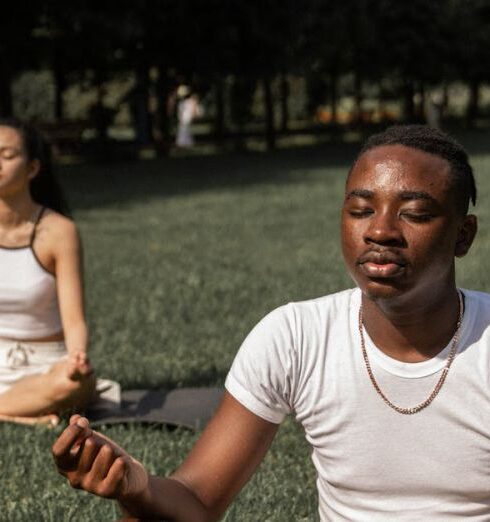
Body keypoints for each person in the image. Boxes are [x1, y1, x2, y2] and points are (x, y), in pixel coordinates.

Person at [53, 125, 488, 520]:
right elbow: (198, 499)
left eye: (413, 213)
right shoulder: (297, 337)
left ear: (462, 236)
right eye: (360, 210)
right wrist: (137, 488)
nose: (380, 231)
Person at [0, 118, 95, 427]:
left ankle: (12, 411)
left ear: (32, 168)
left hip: (44, 368)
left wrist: (76, 357)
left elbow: (74, 319)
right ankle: (13, 414)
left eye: (7, 155)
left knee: (73, 385)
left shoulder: (59, 231)